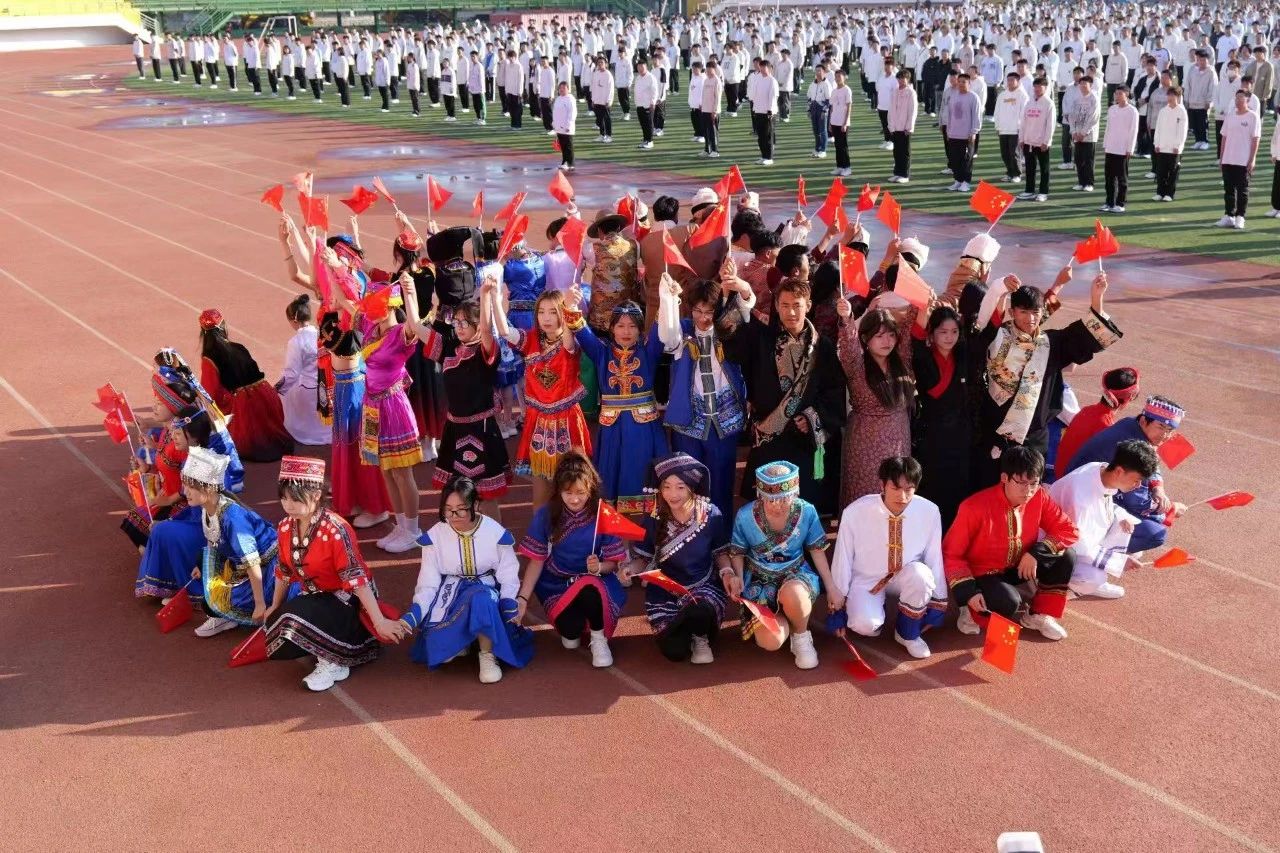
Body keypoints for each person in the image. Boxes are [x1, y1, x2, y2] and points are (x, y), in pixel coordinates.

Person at [974, 270, 1122, 487]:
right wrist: (1001, 287)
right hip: (994, 431)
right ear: (1012, 312)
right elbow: (984, 317)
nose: (1030, 319)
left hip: (1033, 438)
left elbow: (1087, 336)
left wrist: (1096, 298)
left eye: (1036, 312)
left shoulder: (1051, 343)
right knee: (990, 488)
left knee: (1029, 490)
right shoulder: (997, 337)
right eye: (1024, 312)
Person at [265, 456, 400, 692]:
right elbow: (283, 570)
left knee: (292, 618)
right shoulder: (286, 526)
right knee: (277, 625)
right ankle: (327, 647)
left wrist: (379, 621)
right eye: (284, 498)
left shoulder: (337, 529)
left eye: (295, 499)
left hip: (348, 601)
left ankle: (335, 662)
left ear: (317, 495)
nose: (288, 505)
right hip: (315, 598)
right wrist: (274, 606)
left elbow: (356, 579)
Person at [722, 277, 847, 513]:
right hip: (769, 437)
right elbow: (733, 335)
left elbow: (835, 391)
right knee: (767, 506)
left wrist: (813, 417)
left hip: (805, 440)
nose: (791, 312)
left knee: (804, 506)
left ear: (808, 305)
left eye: (797, 305)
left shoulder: (823, 347)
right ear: (777, 306)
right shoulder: (762, 340)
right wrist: (743, 291)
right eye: (785, 305)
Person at [400, 477, 533, 684]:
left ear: (475, 505)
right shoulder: (435, 535)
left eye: (461, 509)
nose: (454, 516)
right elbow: (428, 582)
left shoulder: (494, 532)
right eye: (448, 510)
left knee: (482, 599)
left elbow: (508, 573)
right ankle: (464, 641)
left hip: (486, 587)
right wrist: (414, 613)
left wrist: (508, 602)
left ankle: (487, 655)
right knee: (436, 646)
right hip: (451, 591)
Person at [944, 447, 1079, 641]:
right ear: (1004, 478)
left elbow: (1068, 529)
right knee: (1008, 602)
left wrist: (1036, 553)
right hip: (983, 572)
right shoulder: (973, 507)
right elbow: (951, 553)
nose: (1028, 491)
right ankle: (969, 610)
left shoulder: (1039, 496)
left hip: (1019, 564)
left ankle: (1038, 615)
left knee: (1066, 555)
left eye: (1034, 483)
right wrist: (968, 592)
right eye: (1021, 483)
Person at [403, 275, 511, 517]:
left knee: (485, 496)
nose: (459, 327)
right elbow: (416, 326)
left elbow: (487, 330)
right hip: (454, 431)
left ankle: (494, 537)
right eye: (457, 321)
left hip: (482, 430)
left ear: (477, 326)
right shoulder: (449, 348)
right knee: (457, 495)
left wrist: (485, 296)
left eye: (465, 322)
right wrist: (408, 292)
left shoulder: (485, 352)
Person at [514, 452, 629, 668]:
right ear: (558, 490)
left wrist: (599, 566)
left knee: (589, 585)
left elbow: (613, 563)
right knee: (570, 637)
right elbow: (537, 560)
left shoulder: (603, 514)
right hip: (558, 584)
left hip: (595, 581)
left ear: (590, 488)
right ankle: (576, 623)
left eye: (580, 492)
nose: (574, 499)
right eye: (568, 493)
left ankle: (598, 638)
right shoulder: (547, 514)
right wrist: (522, 599)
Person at [829, 456, 947, 659]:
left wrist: (938, 600)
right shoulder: (855, 512)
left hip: (906, 575)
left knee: (922, 575)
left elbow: (934, 557)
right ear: (882, 485)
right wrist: (837, 604)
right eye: (895, 488)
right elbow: (843, 558)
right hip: (868, 579)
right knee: (864, 625)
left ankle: (907, 633)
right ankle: (875, 611)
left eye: (909, 489)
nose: (902, 496)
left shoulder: (929, 511)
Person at [657, 275, 752, 522]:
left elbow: (746, 310)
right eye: (698, 311)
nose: (703, 318)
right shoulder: (683, 330)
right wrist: (668, 300)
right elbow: (668, 336)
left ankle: (721, 536)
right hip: (689, 420)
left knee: (721, 482)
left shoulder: (728, 329)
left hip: (724, 419)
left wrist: (740, 285)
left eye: (709, 311)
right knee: (688, 483)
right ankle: (689, 535)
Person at [623, 453, 732, 664]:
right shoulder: (654, 518)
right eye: (667, 487)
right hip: (665, 591)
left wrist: (727, 572)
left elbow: (720, 552)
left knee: (700, 610)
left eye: (680, 487)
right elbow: (643, 558)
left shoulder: (711, 515)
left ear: (692, 488)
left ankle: (700, 636)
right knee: (674, 652)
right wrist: (631, 569)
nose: (672, 494)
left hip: (703, 586)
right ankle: (686, 629)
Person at [726, 461, 836, 670]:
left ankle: (801, 635)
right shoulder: (745, 515)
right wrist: (738, 577)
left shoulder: (807, 511)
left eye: (783, 499)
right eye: (770, 500)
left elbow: (816, 550)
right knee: (772, 642)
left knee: (795, 594)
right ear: (760, 495)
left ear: (794, 493)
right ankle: (790, 622)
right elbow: (737, 552)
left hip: (795, 572)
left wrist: (831, 587)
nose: (776, 505)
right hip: (758, 579)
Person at [569, 297, 668, 514]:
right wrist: (572, 304)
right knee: (610, 476)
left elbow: (662, 325)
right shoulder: (602, 352)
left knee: (641, 472)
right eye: (621, 326)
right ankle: (613, 531)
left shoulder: (648, 351)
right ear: (611, 328)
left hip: (643, 427)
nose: (626, 331)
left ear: (640, 330)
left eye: (632, 326)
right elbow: (581, 331)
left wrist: (666, 298)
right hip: (612, 428)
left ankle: (644, 529)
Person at [493, 288, 589, 509]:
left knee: (571, 490)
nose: (546, 318)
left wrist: (570, 307)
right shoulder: (531, 339)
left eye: (553, 312)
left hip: (566, 422)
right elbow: (505, 331)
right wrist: (495, 300)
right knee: (540, 493)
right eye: (541, 312)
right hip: (539, 423)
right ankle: (541, 530)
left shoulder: (571, 339)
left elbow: (568, 344)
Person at [1064, 395, 1188, 555]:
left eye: (1170, 430)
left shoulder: (1131, 425)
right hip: (1082, 504)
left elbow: (1151, 458)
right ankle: (1098, 553)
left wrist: (1158, 487)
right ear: (1144, 421)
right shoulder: (1132, 447)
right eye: (1161, 427)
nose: (1165, 435)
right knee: (1154, 532)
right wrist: (1170, 509)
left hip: (1082, 488)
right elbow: (1137, 501)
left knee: (1150, 512)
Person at [182, 446, 282, 638]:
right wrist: (202, 567)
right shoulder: (208, 508)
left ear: (209, 488)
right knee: (203, 561)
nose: (185, 491)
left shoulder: (233, 518)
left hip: (268, 568)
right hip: (243, 565)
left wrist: (259, 604)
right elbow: (213, 540)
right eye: (185, 485)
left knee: (212, 603)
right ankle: (228, 612)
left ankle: (236, 612)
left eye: (191, 486)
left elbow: (252, 563)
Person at [1050, 440, 1159, 600]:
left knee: (1130, 541)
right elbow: (1078, 544)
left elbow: (1102, 502)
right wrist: (1117, 561)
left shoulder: (1100, 469)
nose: (1138, 486)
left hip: (1076, 535)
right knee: (1093, 578)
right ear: (1119, 471)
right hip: (1054, 549)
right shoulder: (1081, 496)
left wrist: (1121, 515)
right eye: (1136, 480)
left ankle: (1087, 582)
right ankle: (1052, 595)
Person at [835, 301, 916, 508]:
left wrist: (919, 302)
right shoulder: (857, 365)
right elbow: (848, 343)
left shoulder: (901, 360)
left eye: (891, 335)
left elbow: (908, 328)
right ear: (865, 339)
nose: (887, 341)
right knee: (864, 494)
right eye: (879, 336)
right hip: (864, 440)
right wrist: (846, 318)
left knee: (897, 489)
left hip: (899, 436)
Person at [198, 308, 293, 462]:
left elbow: (210, 394)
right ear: (223, 326)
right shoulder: (238, 347)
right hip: (267, 394)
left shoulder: (209, 357)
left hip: (245, 404)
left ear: (203, 333)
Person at [910, 304, 972, 528]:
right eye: (943, 332)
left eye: (954, 331)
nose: (949, 337)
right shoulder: (923, 357)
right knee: (932, 487)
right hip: (933, 433)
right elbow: (916, 338)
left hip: (960, 434)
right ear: (932, 333)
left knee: (958, 488)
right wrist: (923, 308)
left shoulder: (963, 355)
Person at [1054, 367, 1141, 480]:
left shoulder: (1087, 410)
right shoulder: (1106, 426)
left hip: (1060, 472)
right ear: (1128, 398)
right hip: (1073, 480)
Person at [277, 294, 330, 446]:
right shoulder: (322, 334)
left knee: (286, 391)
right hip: (326, 385)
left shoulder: (296, 342)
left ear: (294, 320)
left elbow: (291, 374)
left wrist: (277, 390)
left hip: (308, 389)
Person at [1217, 88, 1262, 230]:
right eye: (1236, 97)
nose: (1237, 100)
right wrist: (1222, 158)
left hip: (1243, 160)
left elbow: (1255, 139)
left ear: (1248, 99)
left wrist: (1252, 159)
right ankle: (1229, 215)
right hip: (1228, 159)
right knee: (1228, 190)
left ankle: (1240, 216)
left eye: (1241, 97)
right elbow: (1224, 137)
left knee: (1242, 190)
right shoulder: (1230, 116)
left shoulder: (1253, 117)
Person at [1100, 86, 1139, 212]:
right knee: (1109, 178)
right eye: (1116, 93)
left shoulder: (1132, 111)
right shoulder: (1112, 109)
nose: (1117, 96)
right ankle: (1109, 202)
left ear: (1126, 94)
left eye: (1120, 93)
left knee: (1122, 178)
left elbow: (1134, 130)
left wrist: (1130, 148)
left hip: (1123, 149)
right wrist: (1105, 144)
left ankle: (1120, 203)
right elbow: (1108, 128)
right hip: (1111, 147)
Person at [1017, 77, 1056, 202]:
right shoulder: (1029, 102)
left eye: (1040, 86)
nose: (1037, 89)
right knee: (1029, 167)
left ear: (1045, 88)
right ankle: (1029, 190)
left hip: (1041, 143)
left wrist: (1046, 141)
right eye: (1035, 87)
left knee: (1044, 168)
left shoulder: (1049, 103)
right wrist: (1022, 138)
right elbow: (1023, 122)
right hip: (1028, 141)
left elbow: (1050, 125)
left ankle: (1043, 192)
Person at [944, 73, 982, 192]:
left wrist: (974, 132)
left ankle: (966, 182)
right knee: (955, 159)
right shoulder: (953, 96)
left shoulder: (974, 97)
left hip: (967, 135)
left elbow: (977, 116)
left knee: (966, 160)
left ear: (969, 83)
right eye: (959, 81)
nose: (961, 84)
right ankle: (958, 180)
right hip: (953, 133)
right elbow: (950, 115)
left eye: (963, 82)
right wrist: (948, 130)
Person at [1152, 85, 1188, 202]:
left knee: (1173, 172)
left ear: (1178, 97)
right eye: (1169, 95)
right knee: (1161, 172)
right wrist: (1156, 144)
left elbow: (1183, 131)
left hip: (1174, 149)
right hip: (1162, 147)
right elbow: (1158, 128)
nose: (1170, 97)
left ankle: (1169, 194)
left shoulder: (1182, 111)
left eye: (1173, 95)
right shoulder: (1163, 111)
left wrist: (1178, 146)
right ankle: (1160, 192)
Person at [1067, 76, 1101, 192]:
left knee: (1088, 160)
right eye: (1081, 84)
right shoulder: (1077, 99)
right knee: (1078, 160)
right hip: (1077, 135)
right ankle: (1081, 182)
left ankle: (1089, 183)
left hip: (1089, 136)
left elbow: (1093, 118)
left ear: (1090, 85)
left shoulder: (1094, 99)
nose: (1082, 86)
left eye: (1085, 84)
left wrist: (1083, 133)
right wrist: (1073, 131)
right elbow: (1071, 116)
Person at [995, 73, 1029, 183]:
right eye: (1008, 80)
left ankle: (1017, 174)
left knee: (1014, 153)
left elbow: (1024, 113)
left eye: (1012, 80)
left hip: (1015, 130)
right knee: (1004, 153)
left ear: (1018, 81)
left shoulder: (1022, 95)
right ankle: (1009, 173)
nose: (1009, 82)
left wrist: (1021, 128)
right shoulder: (1002, 95)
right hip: (1003, 129)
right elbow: (997, 111)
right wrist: (997, 126)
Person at [887, 69, 918, 182]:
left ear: (908, 79)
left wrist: (909, 127)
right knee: (897, 151)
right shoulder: (895, 92)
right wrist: (891, 126)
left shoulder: (911, 92)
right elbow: (891, 110)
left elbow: (912, 111)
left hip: (905, 128)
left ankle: (905, 175)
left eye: (903, 78)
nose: (901, 80)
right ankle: (897, 172)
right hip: (895, 127)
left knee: (905, 152)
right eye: (899, 78)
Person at [749, 59, 779, 165]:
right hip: (758, 110)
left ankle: (769, 157)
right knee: (761, 136)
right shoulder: (758, 79)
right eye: (760, 67)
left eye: (763, 67)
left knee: (768, 136)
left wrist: (770, 110)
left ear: (769, 68)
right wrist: (754, 107)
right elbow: (754, 94)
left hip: (768, 113)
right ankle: (763, 156)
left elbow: (773, 97)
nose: (761, 69)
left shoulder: (772, 81)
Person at [829, 69, 854, 176]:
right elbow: (832, 108)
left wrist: (845, 123)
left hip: (843, 123)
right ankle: (839, 167)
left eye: (839, 76)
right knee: (837, 145)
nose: (837, 78)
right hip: (834, 121)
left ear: (844, 77)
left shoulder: (847, 90)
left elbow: (849, 107)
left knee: (843, 145)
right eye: (836, 77)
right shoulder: (834, 91)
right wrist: (830, 122)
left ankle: (847, 167)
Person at [807, 64, 832, 158]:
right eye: (816, 71)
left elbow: (829, 100)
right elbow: (809, 98)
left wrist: (824, 111)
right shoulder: (812, 84)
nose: (818, 73)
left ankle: (823, 150)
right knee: (815, 130)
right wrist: (809, 110)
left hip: (822, 109)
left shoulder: (827, 84)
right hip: (813, 108)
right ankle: (817, 149)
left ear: (824, 72)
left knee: (822, 130)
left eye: (820, 71)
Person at [552, 81, 577, 170]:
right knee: (562, 146)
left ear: (568, 89)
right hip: (559, 126)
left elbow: (572, 113)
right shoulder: (558, 99)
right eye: (560, 88)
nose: (561, 90)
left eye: (564, 88)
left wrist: (568, 125)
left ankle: (570, 163)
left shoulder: (570, 99)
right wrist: (554, 123)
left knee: (568, 146)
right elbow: (555, 112)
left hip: (567, 127)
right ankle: (564, 161)